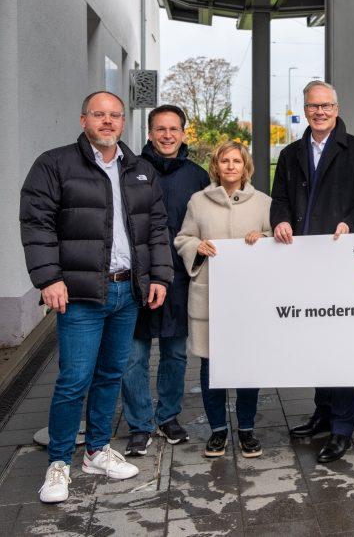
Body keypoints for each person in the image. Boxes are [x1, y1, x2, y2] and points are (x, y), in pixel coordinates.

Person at [20, 91, 173, 503]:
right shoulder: (55, 165)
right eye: (99, 115)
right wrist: (48, 278)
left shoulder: (138, 169)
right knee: (74, 380)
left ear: (124, 122)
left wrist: (159, 274)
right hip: (82, 293)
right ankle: (58, 463)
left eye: (115, 116)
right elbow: (37, 224)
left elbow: (156, 227)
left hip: (128, 290)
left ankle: (96, 450)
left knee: (111, 373)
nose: (108, 122)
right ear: (83, 118)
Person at [271, 80, 354, 464]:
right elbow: (280, 196)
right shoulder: (290, 153)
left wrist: (350, 223)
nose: (320, 112)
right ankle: (322, 413)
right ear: (305, 108)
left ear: (337, 107)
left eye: (326, 105)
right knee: (315, 340)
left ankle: (342, 427)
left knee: (342, 343)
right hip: (303, 260)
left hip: (340, 259)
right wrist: (280, 220)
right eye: (313, 106)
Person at [121, 105, 210, 456]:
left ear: (184, 134)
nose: (167, 135)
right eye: (160, 129)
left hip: (181, 277)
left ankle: (168, 417)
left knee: (175, 354)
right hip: (138, 277)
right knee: (133, 356)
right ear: (149, 132)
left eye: (174, 129)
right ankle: (139, 424)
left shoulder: (198, 176)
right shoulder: (130, 172)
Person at [174, 140, 271, 459]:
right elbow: (183, 238)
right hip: (210, 295)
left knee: (247, 365)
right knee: (211, 365)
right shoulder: (198, 202)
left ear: (246, 167)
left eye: (237, 161)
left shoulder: (263, 203)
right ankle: (217, 430)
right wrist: (196, 247)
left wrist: (263, 239)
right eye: (225, 161)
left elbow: (278, 240)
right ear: (216, 165)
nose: (231, 166)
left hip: (248, 299)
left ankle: (246, 429)